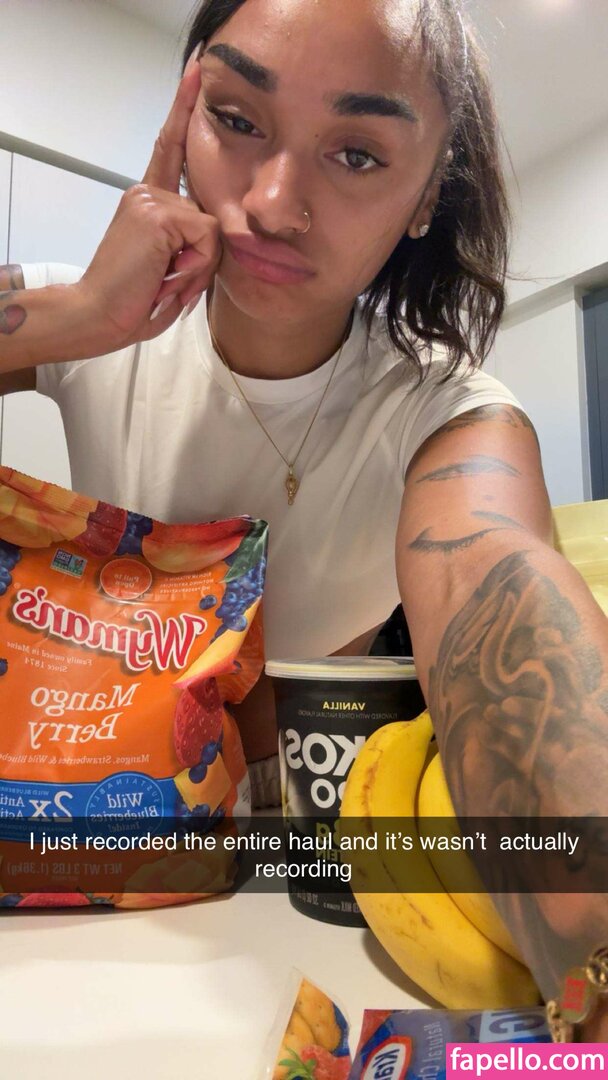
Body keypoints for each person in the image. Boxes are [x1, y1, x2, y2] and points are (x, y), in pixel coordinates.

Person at [1, 0, 607, 1039]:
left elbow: (496, 589)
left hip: (307, 876)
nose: (273, 205)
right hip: (77, 851)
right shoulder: (77, 317)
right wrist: (79, 320)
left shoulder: (446, 411)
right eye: (236, 119)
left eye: (358, 155)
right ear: (186, 109)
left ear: (425, 197)